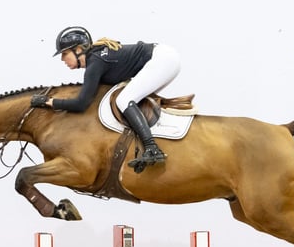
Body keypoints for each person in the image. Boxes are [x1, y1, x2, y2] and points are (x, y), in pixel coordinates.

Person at [31, 26, 181, 173]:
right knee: (131, 99)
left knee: (124, 100)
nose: (63, 59)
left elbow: (81, 103)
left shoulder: (95, 63)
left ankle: (152, 148)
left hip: (162, 60)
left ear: (78, 50)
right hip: (165, 58)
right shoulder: (96, 59)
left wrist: (50, 102)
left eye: (64, 53)